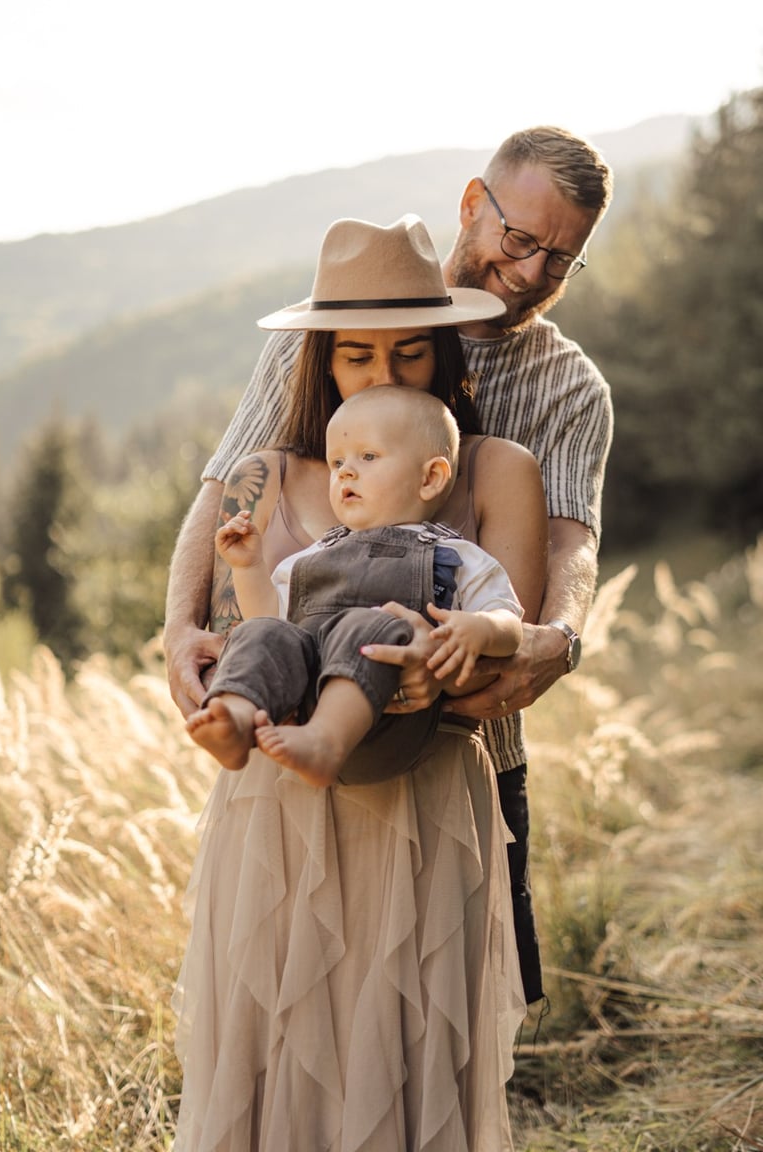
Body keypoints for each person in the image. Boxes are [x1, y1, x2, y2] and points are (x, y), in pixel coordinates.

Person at [164, 125, 614, 1008]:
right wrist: (180, 623)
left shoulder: (568, 389)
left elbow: (571, 541)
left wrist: (555, 640)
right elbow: (228, 488)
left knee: (452, 1004)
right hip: (295, 723)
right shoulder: (322, 333)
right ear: (471, 208)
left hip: (460, 731)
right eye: (519, 239)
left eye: (559, 260)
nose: (529, 273)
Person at [171, 213, 548, 1152]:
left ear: (446, 352)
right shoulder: (259, 477)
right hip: (279, 802)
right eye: (354, 357)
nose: (380, 375)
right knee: (278, 1050)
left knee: (405, 1048)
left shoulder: (494, 470)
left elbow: (514, 648)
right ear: (320, 364)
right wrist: (199, 629)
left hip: (421, 796)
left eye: (411, 353)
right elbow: (248, 624)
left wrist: (443, 674)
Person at [186, 386, 524, 787]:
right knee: (259, 632)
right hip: (303, 711)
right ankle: (237, 719)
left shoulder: (453, 554)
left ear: (430, 477)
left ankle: (327, 740)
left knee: (375, 625)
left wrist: (483, 629)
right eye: (337, 462)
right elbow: (273, 622)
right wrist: (248, 567)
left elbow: (511, 623)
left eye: (368, 457)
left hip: (392, 722)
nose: (345, 471)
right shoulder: (312, 558)